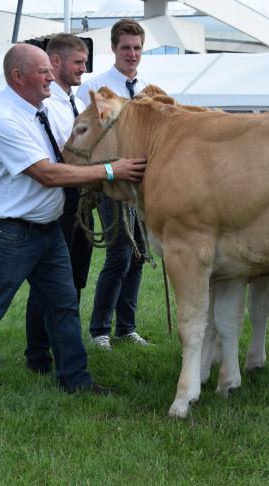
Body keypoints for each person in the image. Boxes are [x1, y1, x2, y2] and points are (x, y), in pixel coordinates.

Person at [0, 43, 147, 409]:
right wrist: (112, 171)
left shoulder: (40, 109)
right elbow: (45, 173)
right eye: (43, 71)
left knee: (63, 306)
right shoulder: (3, 118)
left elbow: (69, 154)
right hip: (11, 235)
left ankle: (75, 379)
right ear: (19, 77)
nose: (52, 76)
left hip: (47, 231)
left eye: (50, 69)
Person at [24, 33, 96, 375]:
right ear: (56, 61)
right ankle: (38, 354)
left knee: (76, 278)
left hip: (83, 202)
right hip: (60, 202)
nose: (84, 69)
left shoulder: (79, 105)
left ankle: (65, 344)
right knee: (50, 282)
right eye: (78, 63)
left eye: (84, 63)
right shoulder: (45, 107)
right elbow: (56, 159)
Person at [77, 19, 150, 349]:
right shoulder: (94, 88)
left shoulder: (149, 89)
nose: (132, 54)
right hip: (111, 181)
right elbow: (86, 137)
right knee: (119, 253)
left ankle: (126, 327)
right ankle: (99, 329)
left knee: (139, 255)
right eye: (126, 48)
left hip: (142, 184)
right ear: (113, 49)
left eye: (136, 48)